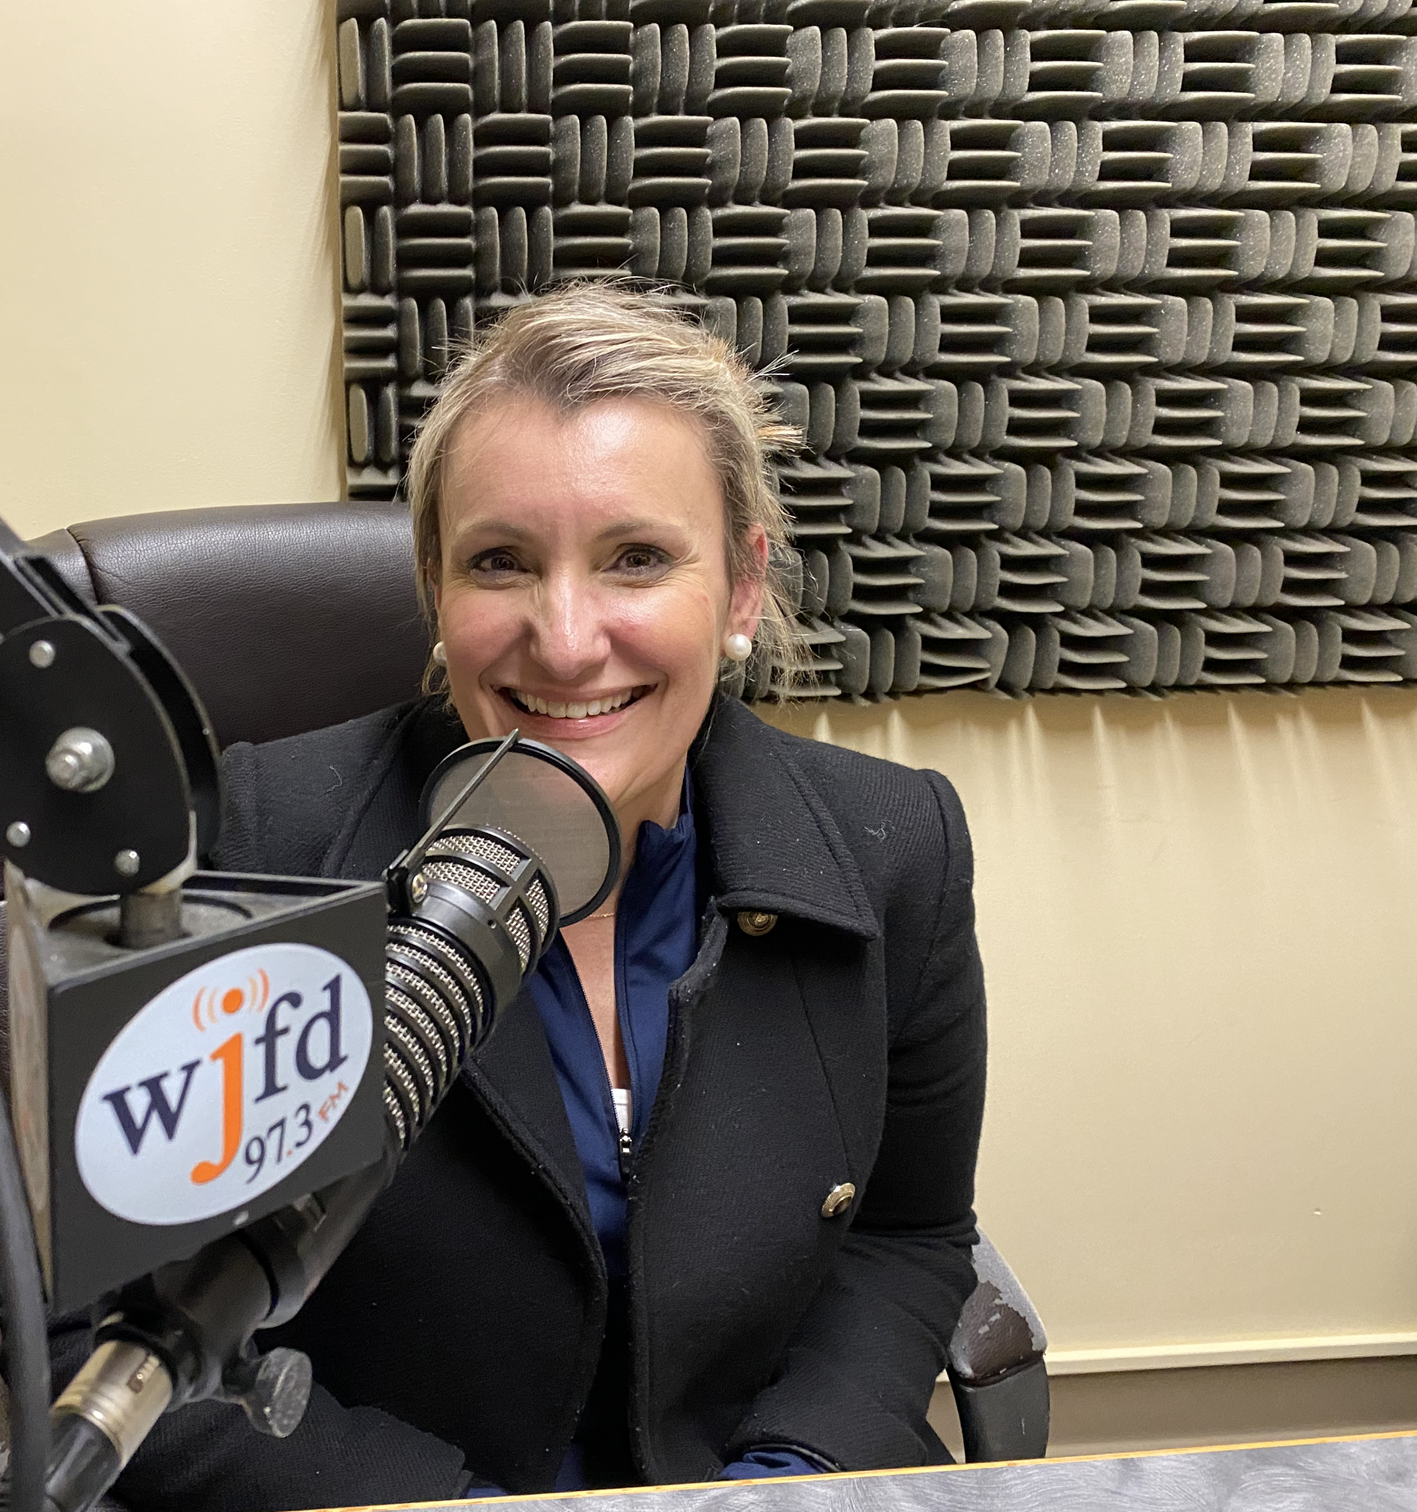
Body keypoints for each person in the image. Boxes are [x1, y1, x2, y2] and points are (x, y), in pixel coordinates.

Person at [94, 283, 988, 1509]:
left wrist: (786, 1482)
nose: (565, 642)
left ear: (740, 589)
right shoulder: (260, 846)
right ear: (436, 587)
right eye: (501, 562)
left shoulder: (896, 849)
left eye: (637, 559)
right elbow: (100, 1328)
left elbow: (906, 1237)